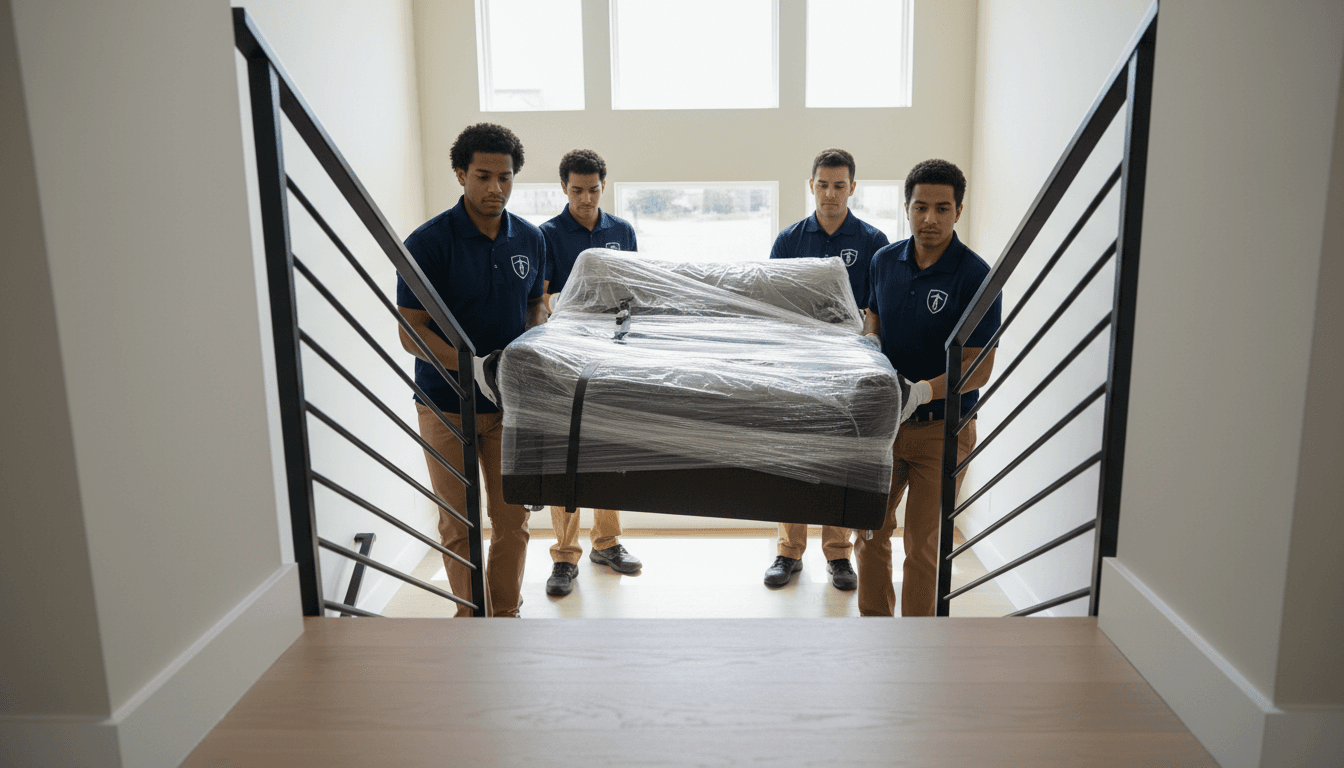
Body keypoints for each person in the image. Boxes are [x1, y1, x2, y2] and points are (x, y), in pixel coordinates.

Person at [395, 123, 548, 617]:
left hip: (508, 407)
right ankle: (470, 618)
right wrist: (472, 366)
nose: (496, 188)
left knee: (512, 521)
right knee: (458, 524)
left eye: (505, 177)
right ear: (460, 174)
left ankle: (503, 617)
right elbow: (410, 330)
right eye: (483, 176)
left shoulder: (530, 238)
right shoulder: (427, 243)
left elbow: (535, 307)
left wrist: (529, 348)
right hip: (444, 406)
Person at [857, 158, 1001, 617]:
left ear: (959, 210)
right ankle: (876, 633)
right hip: (884, 426)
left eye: (943, 208)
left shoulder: (976, 276)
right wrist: (871, 352)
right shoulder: (883, 261)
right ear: (906, 208)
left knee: (922, 546)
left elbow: (978, 368)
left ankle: (919, 645)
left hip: (943, 430)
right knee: (869, 534)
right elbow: (873, 322)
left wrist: (921, 391)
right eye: (921, 207)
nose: (930, 219)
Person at [762, 148, 890, 591]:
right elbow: (774, 305)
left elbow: (876, 309)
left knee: (841, 457)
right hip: (796, 364)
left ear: (852, 188)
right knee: (792, 455)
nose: (831, 194)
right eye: (823, 184)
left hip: (846, 367)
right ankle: (787, 551)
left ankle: (838, 554)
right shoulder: (789, 241)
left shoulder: (874, 242)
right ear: (811, 185)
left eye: (840, 186)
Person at [538, 149, 642, 597]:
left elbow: (636, 289)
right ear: (563, 187)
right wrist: (562, 305)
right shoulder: (544, 235)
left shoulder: (621, 231)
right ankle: (564, 556)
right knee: (567, 453)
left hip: (613, 354)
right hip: (566, 356)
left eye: (594, 190)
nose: (585, 198)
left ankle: (608, 543)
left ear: (604, 185)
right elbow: (540, 298)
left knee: (610, 448)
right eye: (577, 190)